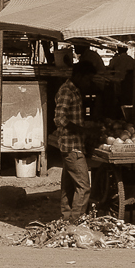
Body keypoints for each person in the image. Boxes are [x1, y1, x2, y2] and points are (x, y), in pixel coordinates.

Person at [51, 61, 97, 223]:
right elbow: (59, 118)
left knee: (69, 186)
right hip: (72, 146)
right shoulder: (66, 91)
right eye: (88, 79)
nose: (88, 83)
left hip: (73, 144)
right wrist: (82, 130)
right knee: (84, 187)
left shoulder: (74, 90)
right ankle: (76, 221)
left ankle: (66, 218)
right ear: (79, 76)